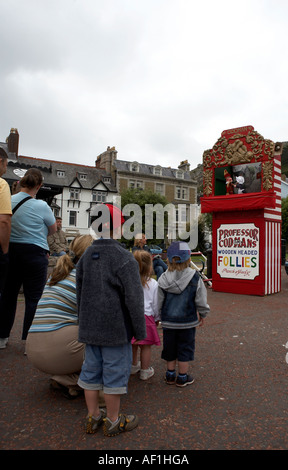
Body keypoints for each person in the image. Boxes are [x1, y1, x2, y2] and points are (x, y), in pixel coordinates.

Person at [76, 203, 146, 436]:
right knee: (115, 373)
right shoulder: (124, 258)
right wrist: (140, 330)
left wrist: (82, 322)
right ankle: (113, 420)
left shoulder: (86, 256)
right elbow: (134, 299)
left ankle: (93, 416)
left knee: (90, 371)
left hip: (90, 327)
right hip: (116, 330)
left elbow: (80, 292)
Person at [26, 234, 105, 401]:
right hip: (59, 349)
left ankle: (65, 379)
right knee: (104, 337)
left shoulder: (58, 276)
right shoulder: (86, 279)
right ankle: (93, 385)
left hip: (33, 347)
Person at [0, 168, 57, 349]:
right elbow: (53, 229)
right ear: (39, 186)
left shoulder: (8, 200)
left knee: (8, 296)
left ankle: (2, 337)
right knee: (34, 298)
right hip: (35, 252)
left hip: (12, 250)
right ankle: (29, 341)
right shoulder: (42, 206)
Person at [158, 241, 210, 387]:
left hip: (169, 321)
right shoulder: (195, 278)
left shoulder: (163, 278)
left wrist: (158, 316)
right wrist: (203, 314)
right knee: (185, 348)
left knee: (170, 347)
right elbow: (201, 299)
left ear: (168, 259)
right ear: (188, 258)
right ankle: (182, 376)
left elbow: (158, 301)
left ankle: (169, 374)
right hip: (187, 322)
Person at [131, 250, 161, 380]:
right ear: (150, 266)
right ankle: (145, 370)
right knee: (146, 346)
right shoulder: (153, 284)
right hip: (147, 317)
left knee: (133, 344)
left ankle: (132, 366)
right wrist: (157, 318)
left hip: (132, 316)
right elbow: (156, 304)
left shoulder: (129, 282)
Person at [0, 147, 12, 300]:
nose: (5, 169)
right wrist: (5, 250)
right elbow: (3, 220)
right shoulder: (2, 185)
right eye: (6, 165)